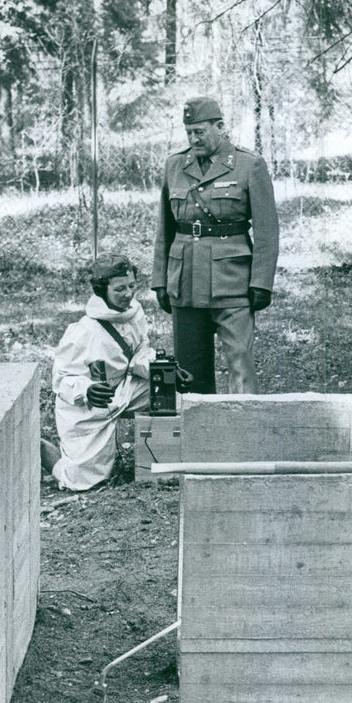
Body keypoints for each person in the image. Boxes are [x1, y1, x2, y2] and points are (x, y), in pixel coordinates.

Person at [151, 96, 279, 395]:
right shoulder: (174, 166)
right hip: (184, 281)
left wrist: (262, 282)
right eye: (189, 133)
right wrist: (160, 280)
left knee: (240, 364)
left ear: (220, 127)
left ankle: (243, 431)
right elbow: (164, 229)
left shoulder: (249, 165)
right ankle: (199, 436)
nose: (194, 139)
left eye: (200, 131)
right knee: (189, 372)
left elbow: (267, 230)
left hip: (232, 281)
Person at [40, 253, 158, 492]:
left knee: (169, 392)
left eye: (132, 286)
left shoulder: (135, 313)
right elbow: (62, 380)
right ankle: (39, 447)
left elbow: (140, 353)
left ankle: (157, 459)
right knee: (80, 482)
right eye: (120, 289)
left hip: (125, 390)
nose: (128, 294)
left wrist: (161, 370)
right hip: (89, 406)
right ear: (102, 290)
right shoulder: (83, 331)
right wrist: (87, 390)